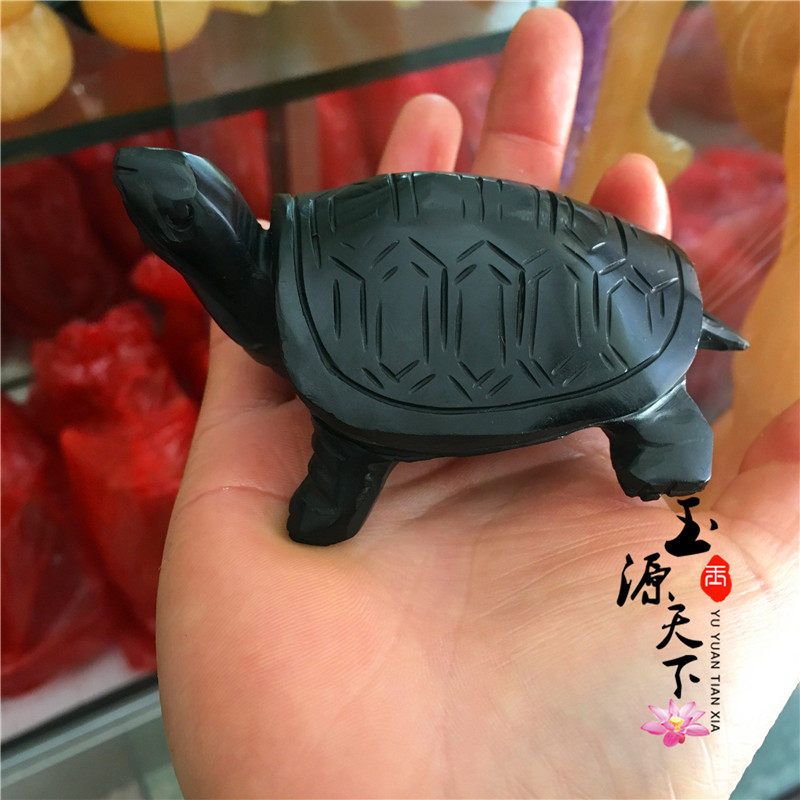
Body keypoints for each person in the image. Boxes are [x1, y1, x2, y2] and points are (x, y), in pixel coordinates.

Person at [156, 8, 799, 797]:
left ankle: (662, 420)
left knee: (358, 451)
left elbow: (354, 436)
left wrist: (327, 509)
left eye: (179, 212)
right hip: (504, 264)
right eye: (178, 214)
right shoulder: (291, 287)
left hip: (566, 306)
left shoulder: (294, 309)